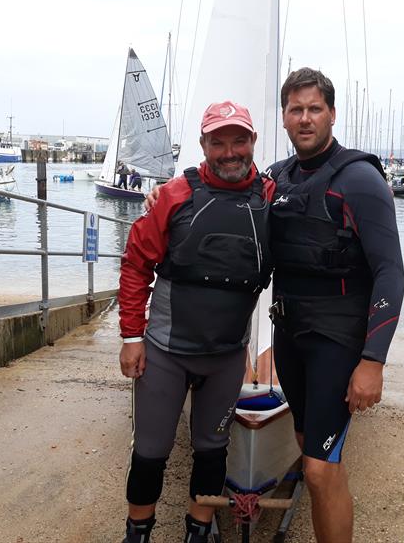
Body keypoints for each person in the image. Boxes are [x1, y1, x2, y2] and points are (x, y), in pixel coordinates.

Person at [118, 100, 276, 543]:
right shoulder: (172, 196)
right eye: (218, 142)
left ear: (252, 143)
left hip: (225, 358)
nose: (230, 152)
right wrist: (132, 336)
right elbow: (135, 265)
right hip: (166, 354)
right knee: (150, 451)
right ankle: (138, 532)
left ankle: (199, 530)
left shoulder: (269, 198)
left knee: (212, 450)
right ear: (203, 145)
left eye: (239, 140)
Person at [268, 67, 404, 543]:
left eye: (314, 109)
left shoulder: (359, 179)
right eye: (295, 109)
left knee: (320, 470)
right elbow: (226, 202)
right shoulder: (277, 178)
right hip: (289, 336)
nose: (305, 118)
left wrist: (373, 361)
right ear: (284, 117)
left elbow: (390, 270)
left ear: (331, 114)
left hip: (338, 341)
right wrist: (167, 194)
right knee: (312, 450)